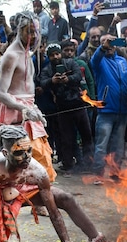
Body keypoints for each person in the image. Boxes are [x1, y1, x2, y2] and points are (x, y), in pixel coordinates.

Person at [0, 12, 57, 187]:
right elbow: (1, 94)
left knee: (41, 158)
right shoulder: (11, 55)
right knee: (21, 160)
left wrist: (34, 109)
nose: (34, 36)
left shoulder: (26, 54)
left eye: (36, 32)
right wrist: (24, 109)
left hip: (28, 110)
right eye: (30, 31)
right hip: (15, 115)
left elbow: (26, 92)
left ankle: (38, 201)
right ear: (20, 30)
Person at [39, 42, 94, 173]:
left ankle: (89, 163)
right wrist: (52, 81)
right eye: (52, 55)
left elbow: (78, 75)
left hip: (78, 106)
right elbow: (43, 82)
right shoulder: (47, 69)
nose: (55, 57)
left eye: (57, 53)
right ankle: (68, 164)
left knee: (87, 136)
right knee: (67, 138)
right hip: (62, 108)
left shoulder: (71, 63)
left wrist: (67, 79)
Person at [90, 33, 127, 183]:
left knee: (119, 146)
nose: (109, 46)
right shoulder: (99, 62)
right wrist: (102, 47)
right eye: (105, 43)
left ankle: (116, 173)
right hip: (106, 111)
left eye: (111, 42)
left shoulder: (122, 61)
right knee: (102, 145)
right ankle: (98, 174)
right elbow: (94, 60)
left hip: (122, 111)